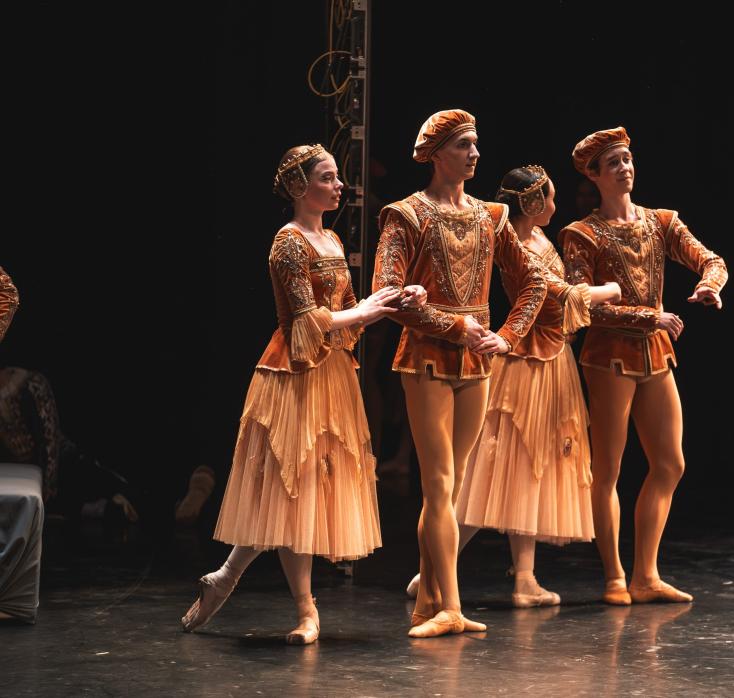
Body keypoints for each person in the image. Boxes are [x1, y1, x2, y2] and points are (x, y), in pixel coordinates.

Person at [181, 144, 425, 644]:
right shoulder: (288, 242)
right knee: (291, 486)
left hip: (330, 373)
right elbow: (305, 320)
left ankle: (231, 580)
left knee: (306, 488)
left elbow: (349, 309)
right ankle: (300, 608)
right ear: (299, 187)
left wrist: (393, 299)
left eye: (337, 177)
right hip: (294, 373)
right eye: (327, 177)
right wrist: (367, 311)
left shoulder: (331, 238)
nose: (339, 185)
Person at [372, 109, 547, 637]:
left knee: (450, 490)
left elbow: (534, 282)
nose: (474, 154)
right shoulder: (406, 214)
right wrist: (456, 326)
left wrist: (507, 336)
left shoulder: (491, 216)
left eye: (475, 144)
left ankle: (428, 603)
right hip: (426, 357)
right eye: (463, 145)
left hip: (477, 361)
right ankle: (450, 605)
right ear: (435, 154)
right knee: (439, 483)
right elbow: (386, 294)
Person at [560, 127, 728, 605]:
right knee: (608, 469)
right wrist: (651, 316)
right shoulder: (582, 234)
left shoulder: (660, 222)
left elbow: (711, 259)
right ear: (595, 175)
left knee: (670, 463)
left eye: (628, 159)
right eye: (613, 162)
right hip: (608, 356)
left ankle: (646, 574)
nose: (625, 168)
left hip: (654, 353)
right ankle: (614, 576)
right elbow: (583, 305)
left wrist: (710, 285)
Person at [451, 165, 620, 607]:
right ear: (530, 203)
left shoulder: (542, 238)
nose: (555, 205)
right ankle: (434, 567)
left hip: (552, 358)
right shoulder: (517, 245)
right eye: (548, 198)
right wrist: (608, 290)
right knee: (494, 474)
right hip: (524, 362)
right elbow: (557, 292)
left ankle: (524, 579)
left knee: (532, 471)